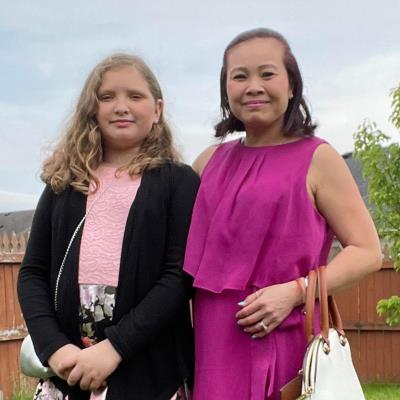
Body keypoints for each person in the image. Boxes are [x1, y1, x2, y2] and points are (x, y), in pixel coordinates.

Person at [183, 28, 382, 400]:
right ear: (225, 89)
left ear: (292, 86)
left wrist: (295, 292)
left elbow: (368, 251)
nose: (253, 86)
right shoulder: (207, 163)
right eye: (239, 76)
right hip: (213, 350)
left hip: (289, 338)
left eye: (267, 73)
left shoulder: (319, 158)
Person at [17, 53, 199, 400]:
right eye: (107, 96)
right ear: (91, 108)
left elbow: (179, 277)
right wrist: (54, 348)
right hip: (68, 372)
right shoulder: (65, 182)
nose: (121, 106)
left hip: (149, 370)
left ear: (157, 110)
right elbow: (32, 272)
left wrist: (115, 347)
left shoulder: (178, 182)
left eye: (135, 96)